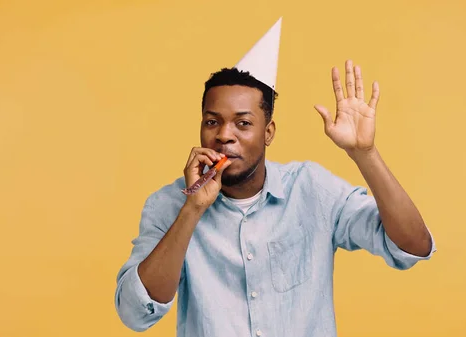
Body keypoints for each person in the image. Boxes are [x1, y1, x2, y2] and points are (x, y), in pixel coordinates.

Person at [114, 17, 435, 337]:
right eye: (212, 122)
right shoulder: (169, 205)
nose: (225, 135)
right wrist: (192, 208)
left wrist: (364, 154)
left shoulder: (311, 189)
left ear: (268, 133)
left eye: (243, 123)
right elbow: (134, 313)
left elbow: (412, 246)